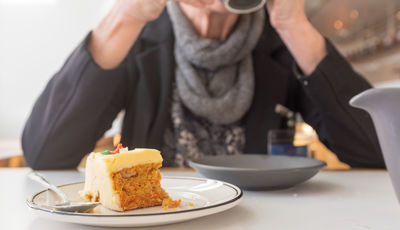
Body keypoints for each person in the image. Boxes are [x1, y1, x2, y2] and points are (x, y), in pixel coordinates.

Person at [22, 0, 385, 169]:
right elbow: (47, 153)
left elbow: (375, 151)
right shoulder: (141, 36)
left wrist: (293, 23)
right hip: (154, 225)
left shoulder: (279, 43)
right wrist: (126, 14)